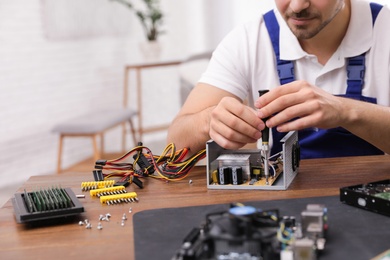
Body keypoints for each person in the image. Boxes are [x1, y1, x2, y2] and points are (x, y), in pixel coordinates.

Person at [167, 0, 390, 159]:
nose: (297, 6)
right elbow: (174, 144)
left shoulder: (385, 29)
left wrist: (345, 112)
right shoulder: (247, 40)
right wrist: (209, 122)